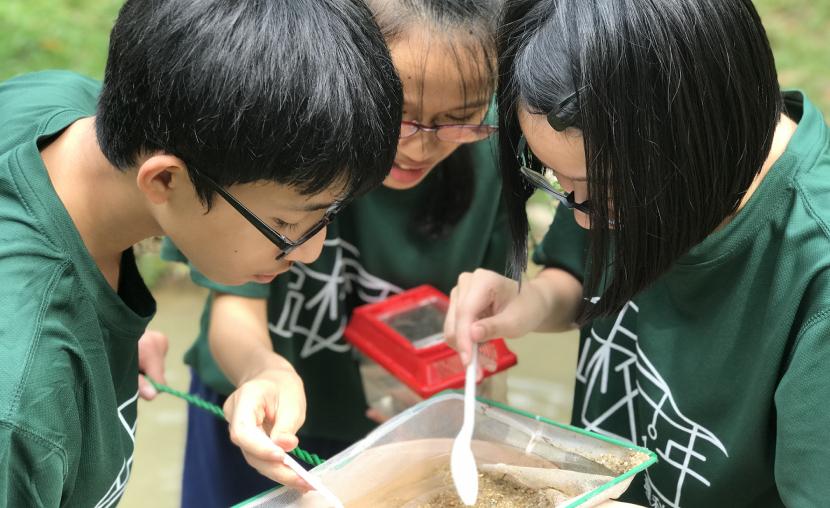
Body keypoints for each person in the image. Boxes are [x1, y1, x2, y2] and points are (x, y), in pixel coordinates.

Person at [0, 0, 402, 503]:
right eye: (287, 224)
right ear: (165, 179)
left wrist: (102, 338)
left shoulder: (56, 103)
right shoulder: (21, 405)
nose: (310, 252)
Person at [445, 0, 830, 506]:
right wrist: (532, 303)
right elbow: (585, 277)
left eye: (598, 189)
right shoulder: (625, 154)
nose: (583, 217)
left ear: (692, 139)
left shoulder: (812, 277)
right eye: (558, 180)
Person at [163, 0, 508, 505]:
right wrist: (264, 371)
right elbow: (234, 305)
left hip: (397, 427)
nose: (419, 147)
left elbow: (489, 321)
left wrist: (457, 403)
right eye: (400, 115)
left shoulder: (493, 155)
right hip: (258, 416)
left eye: (458, 120)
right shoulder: (277, 122)